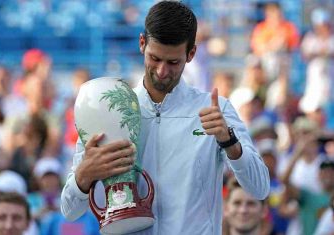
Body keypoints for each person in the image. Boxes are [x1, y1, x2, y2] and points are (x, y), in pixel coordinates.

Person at [61, 1, 270, 234]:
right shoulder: (107, 110)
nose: (162, 71)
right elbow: (70, 211)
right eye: (155, 58)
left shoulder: (215, 110)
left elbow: (260, 188)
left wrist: (230, 142)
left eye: (173, 62)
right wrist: (84, 176)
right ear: (142, 43)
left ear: (191, 54)